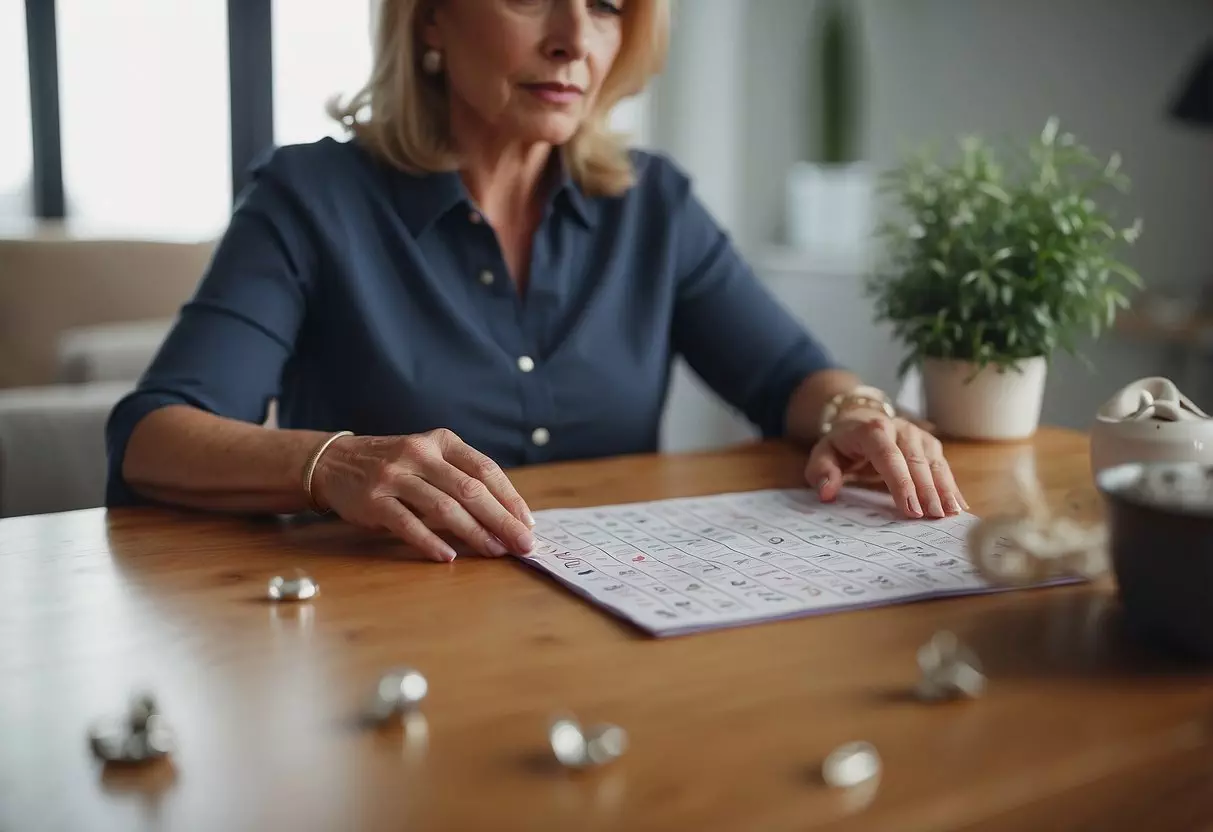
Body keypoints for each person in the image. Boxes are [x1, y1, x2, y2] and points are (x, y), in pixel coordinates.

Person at [105, 0, 967, 564]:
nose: (573, 38)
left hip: (621, 625)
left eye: (603, 6)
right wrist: (330, 460)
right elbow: (151, 435)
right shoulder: (308, 197)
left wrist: (855, 413)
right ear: (431, 20)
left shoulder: (652, 204)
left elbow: (788, 378)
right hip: (377, 642)